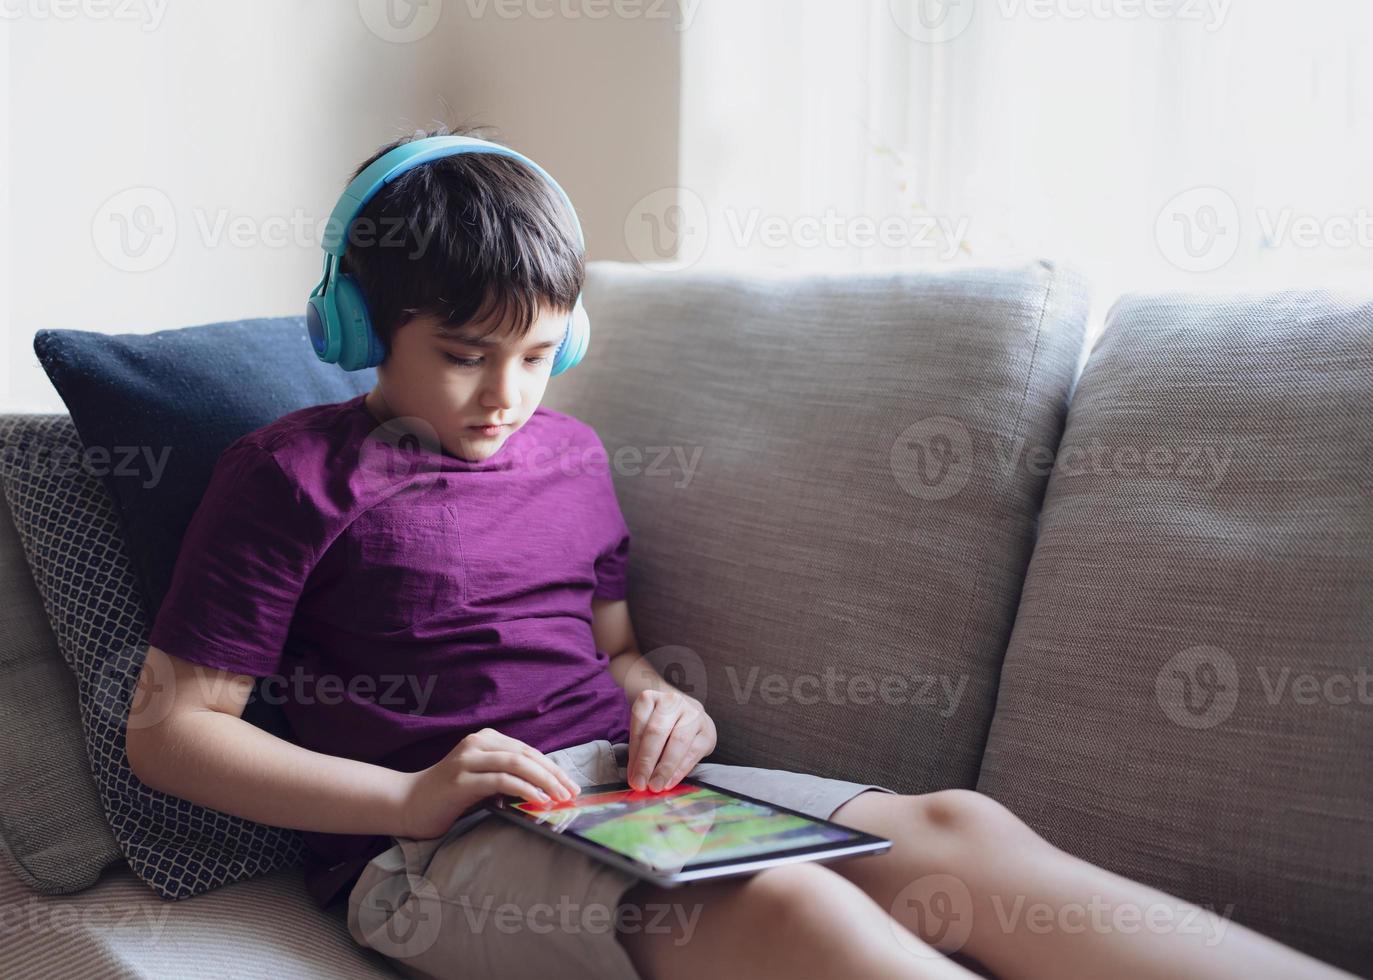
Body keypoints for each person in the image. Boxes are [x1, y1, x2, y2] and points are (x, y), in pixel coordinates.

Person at [124, 125, 1348, 980]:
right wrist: (409, 793)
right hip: (425, 850)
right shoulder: (288, 475)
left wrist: (666, 706)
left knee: (960, 830)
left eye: (540, 352)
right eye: (460, 352)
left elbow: (616, 646)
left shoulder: (573, 456)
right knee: (789, 909)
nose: (506, 394)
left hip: (631, 794)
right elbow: (170, 731)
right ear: (356, 321)